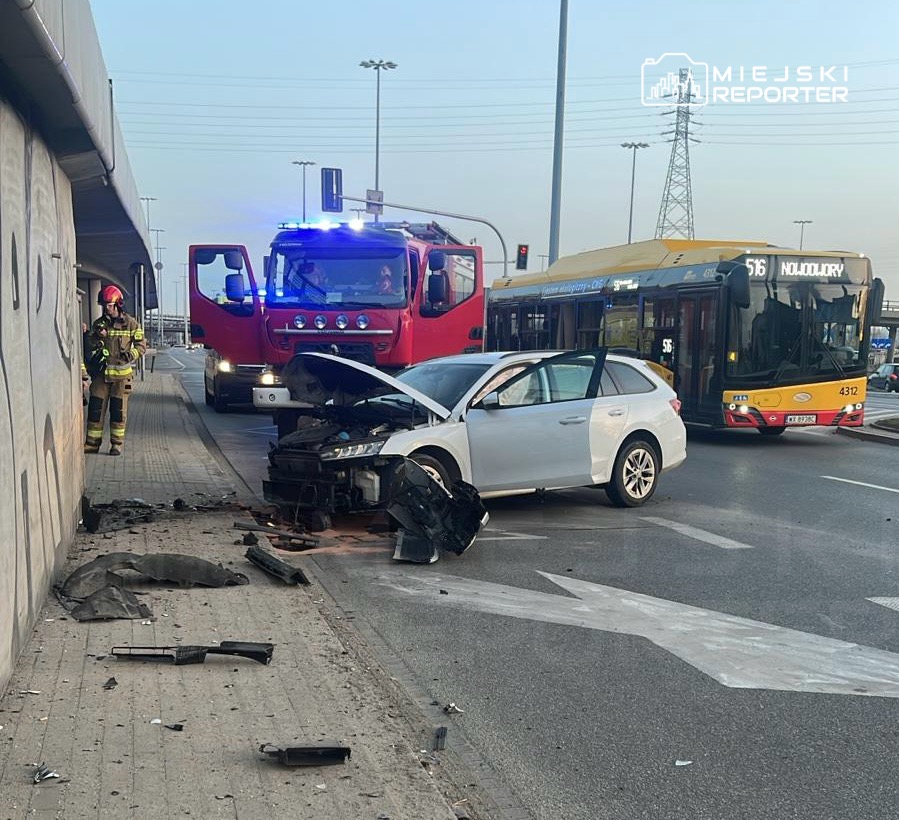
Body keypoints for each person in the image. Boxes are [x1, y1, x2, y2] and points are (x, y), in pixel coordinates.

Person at [84, 284, 146, 455]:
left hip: (121, 378)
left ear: (118, 304)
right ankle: (92, 444)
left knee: (118, 413)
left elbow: (141, 346)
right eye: (104, 305)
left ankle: (116, 445)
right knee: (95, 410)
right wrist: (96, 336)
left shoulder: (131, 324)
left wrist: (130, 355)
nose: (106, 308)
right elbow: (88, 345)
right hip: (101, 377)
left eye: (109, 305)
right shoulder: (99, 324)